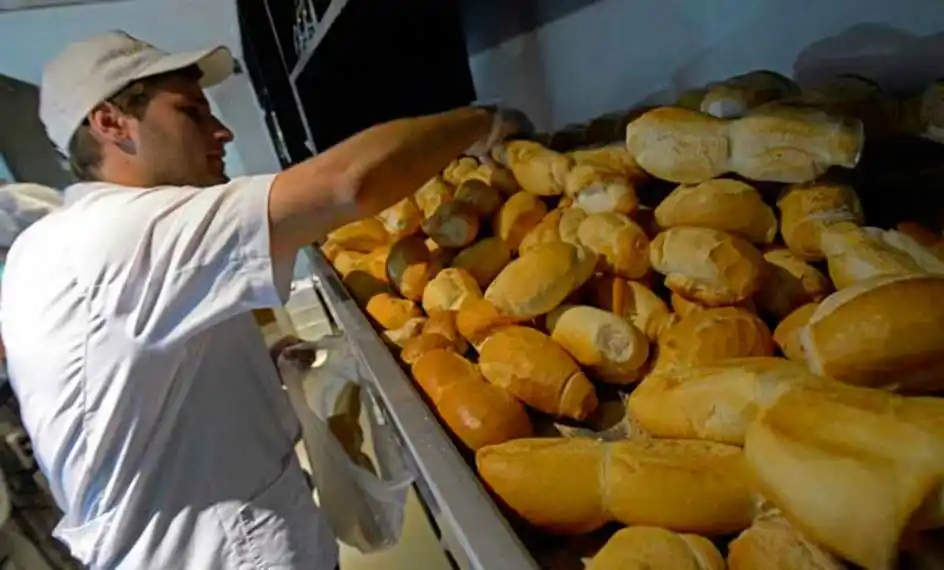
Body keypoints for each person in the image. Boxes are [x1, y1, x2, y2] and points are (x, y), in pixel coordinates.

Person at [0, 30, 527, 570]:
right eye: (191, 112)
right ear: (111, 123)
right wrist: (482, 123)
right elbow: (346, 185)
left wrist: (255, 365)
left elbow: (124, 378)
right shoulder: (122, 232)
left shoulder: (47, 246)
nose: (222, 131)